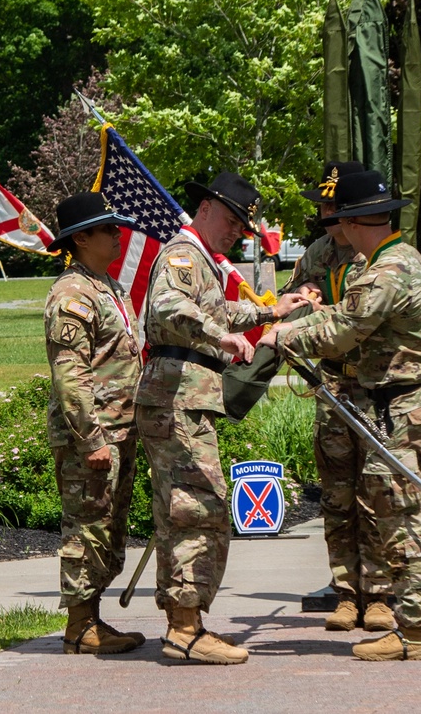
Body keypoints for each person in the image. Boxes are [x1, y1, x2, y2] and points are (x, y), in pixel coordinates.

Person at [259, 171, 421, 661]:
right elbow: (340, 317)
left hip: (401, 410)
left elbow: (344, 329)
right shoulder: (388, 259)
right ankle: (411, 627)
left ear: (350, 219)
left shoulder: (388, 270)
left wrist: (282, 336)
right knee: (398, 516)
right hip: (390, 407)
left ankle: (415, 634)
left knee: (404, 521)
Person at [136, 171, 309, 665]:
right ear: (207, 208)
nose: (236, 232)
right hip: (178, 396)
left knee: (189, 506)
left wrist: (270, 312)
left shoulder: (202, 260)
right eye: (232, 220)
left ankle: (184, 622)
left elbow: (213, 308)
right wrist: (219, 335)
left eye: (242, 227)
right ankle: (185, 628)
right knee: (196, 507)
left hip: (188, 396)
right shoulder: (183, 254)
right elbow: (169, 308)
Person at [284, 161, 394, 634]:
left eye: (334, 206)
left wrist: (318, 315)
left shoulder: (382, 259)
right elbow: (290, 304)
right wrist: (299, 302)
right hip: (332, 388)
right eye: (324, 207)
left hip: (375, 390)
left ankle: (381, 595)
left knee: (378, 494)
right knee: (338, 495)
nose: (328, 214)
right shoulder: (317, 254)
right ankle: (346, 592)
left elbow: (359, 323)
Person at [42, 192, 144, 655]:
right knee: (87, 528)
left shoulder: (107, 287)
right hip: (94, 436)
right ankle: (80, 627)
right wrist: (91, 440)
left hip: (119, 430)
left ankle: (93, 620)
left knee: (108, 527)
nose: (117, 234)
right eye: (107, 229)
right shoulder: (72, 293)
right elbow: (70, 374)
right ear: (81, 238)